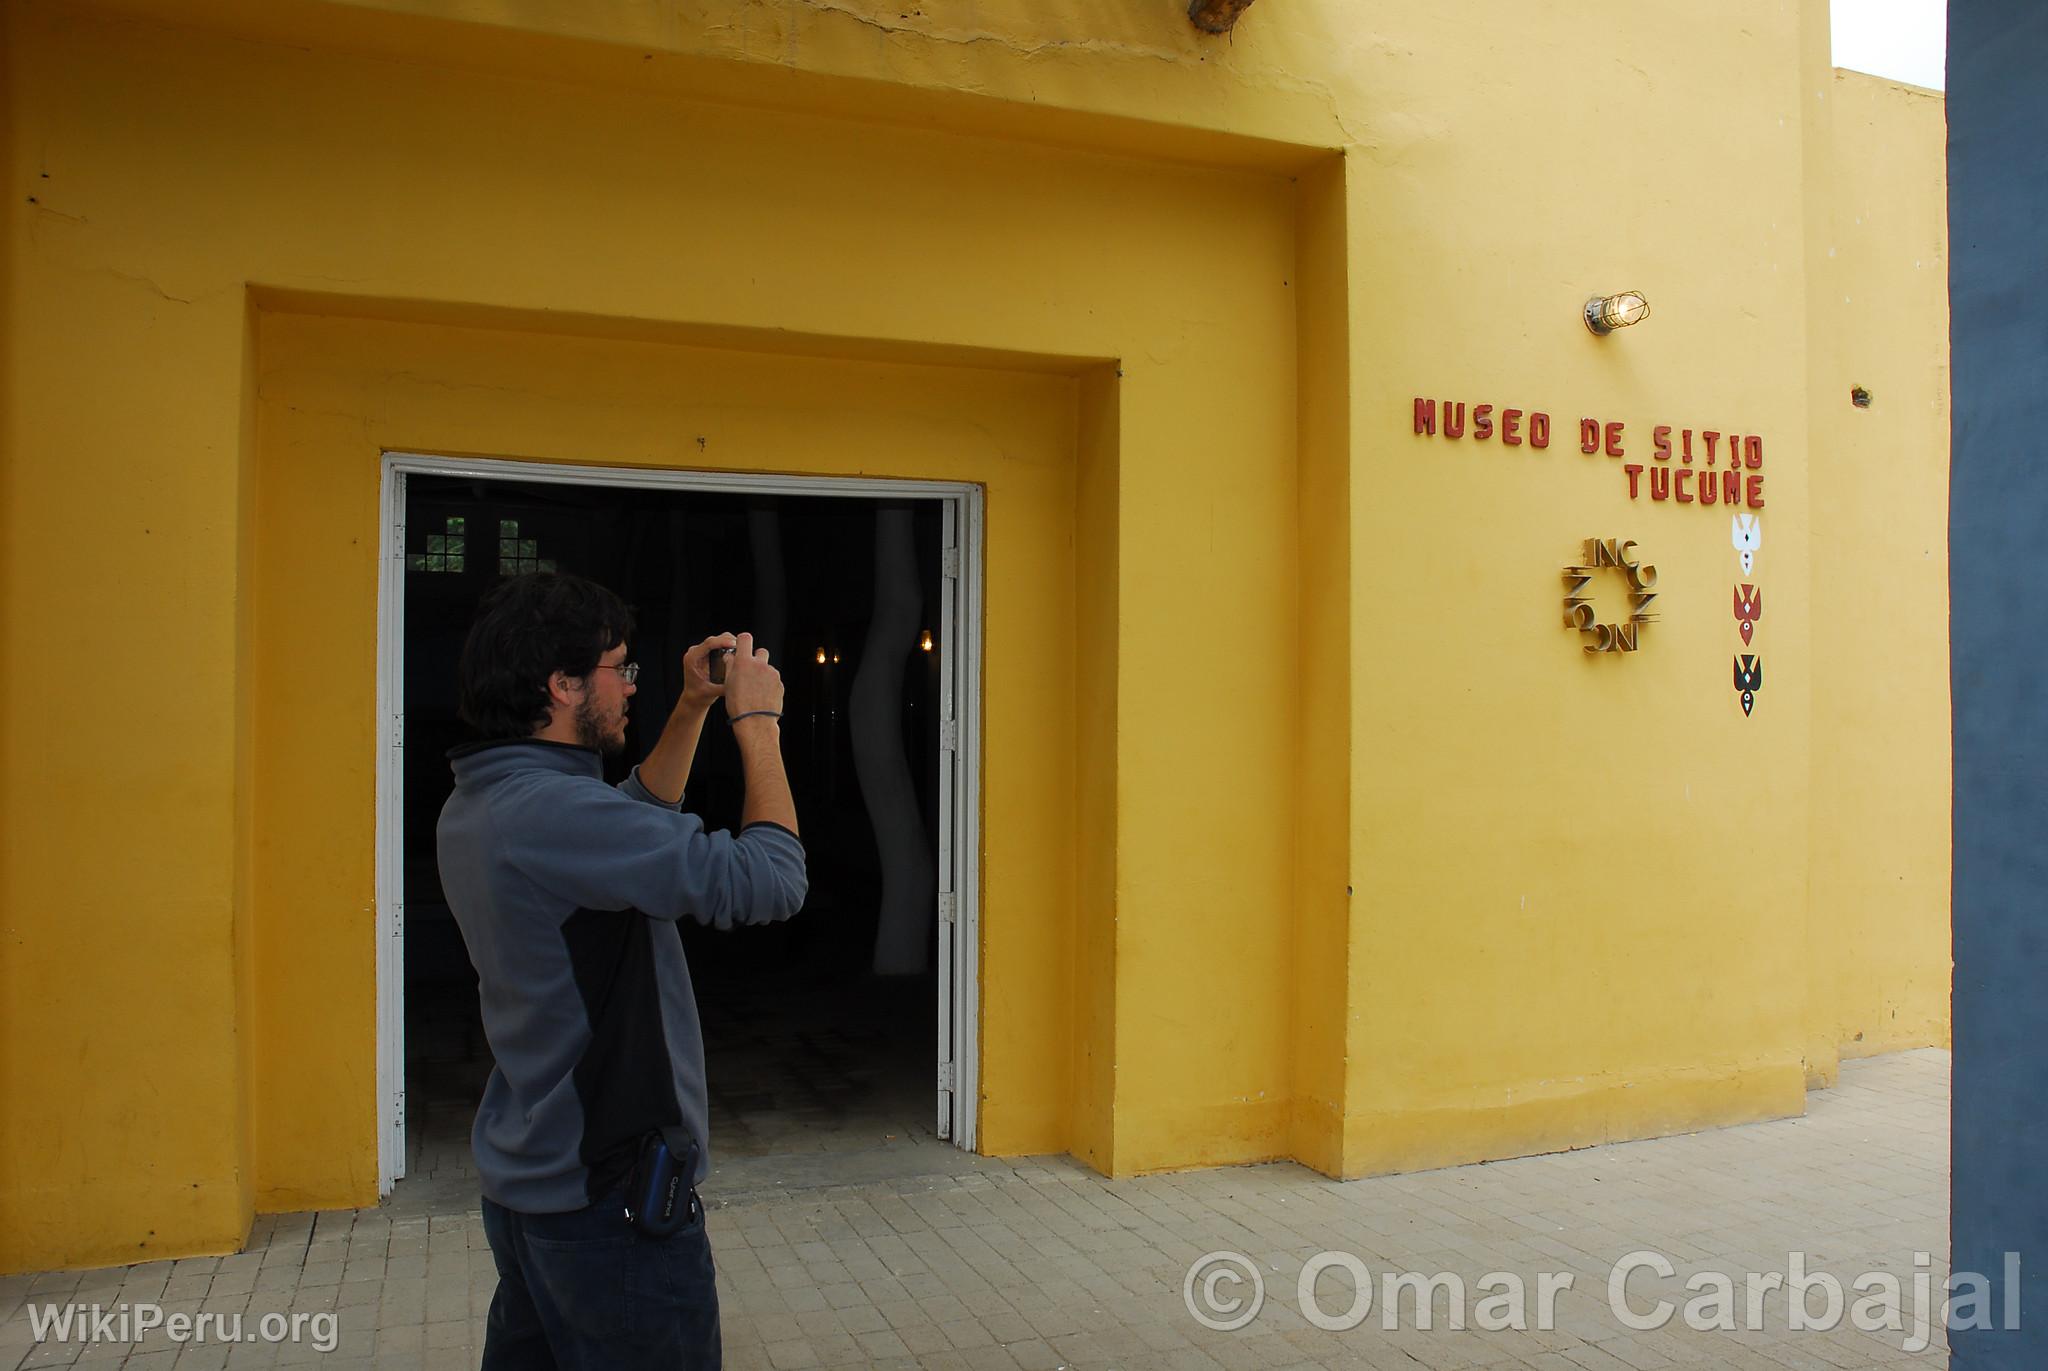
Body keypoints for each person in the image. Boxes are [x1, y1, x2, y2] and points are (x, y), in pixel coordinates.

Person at [437, 571, 806, 1370]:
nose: (630, 685)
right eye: (620, 669)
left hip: (536, 1187)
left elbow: (627, 822)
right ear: (563, 685)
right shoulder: (552, 813)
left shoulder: (490, 799)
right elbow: (772, 881)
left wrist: (691, 706)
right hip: (610, 1206)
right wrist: (759, 722)